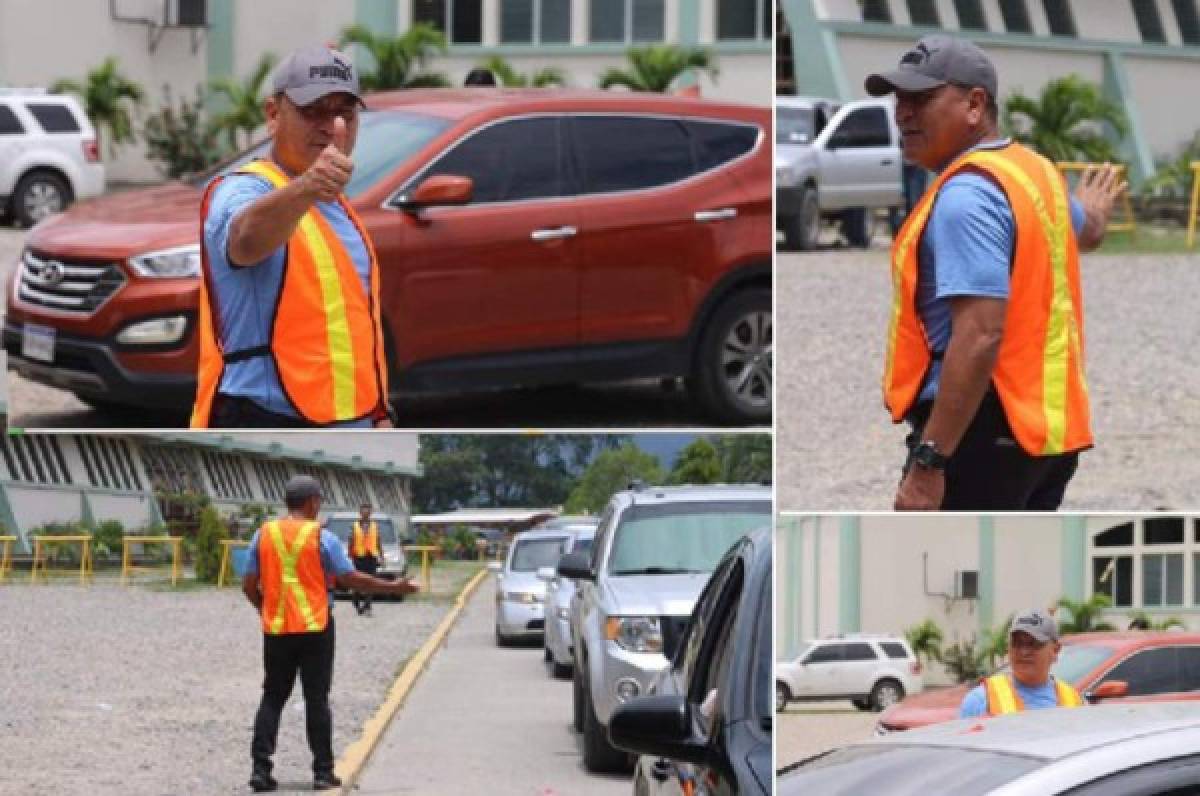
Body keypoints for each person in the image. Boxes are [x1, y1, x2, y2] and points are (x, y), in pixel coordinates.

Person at [866, 35, 1127, 510]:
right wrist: (1095, 211)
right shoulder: (1034, 171)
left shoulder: (968, 197)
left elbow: (981, 333)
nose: (902, 112)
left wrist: (929, 461)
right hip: (1046, 438)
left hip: (980, 433)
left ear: (974, 104)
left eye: (921, 98)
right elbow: (1085, 232)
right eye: (899, 98)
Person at [191, 44, 393, 429]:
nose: (331, 126)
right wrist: (307, 188)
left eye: (343, 112)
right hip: (266, 415)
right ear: (273, 115)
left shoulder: (339, 208)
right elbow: (245, 241)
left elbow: (350, 331)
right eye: (313, 110)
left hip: (348, 419)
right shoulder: (242, 189)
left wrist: (379, 413)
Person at [241, 475, 417, 792]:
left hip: (277, 629)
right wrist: (395, 586)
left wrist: (264, 609)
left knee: (272, 697)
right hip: (315, 629)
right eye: (319, 500)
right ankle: (322, 772)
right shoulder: (323, 538)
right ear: (312, 502)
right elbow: (350, 578)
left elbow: (248, 584)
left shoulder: (263, 534)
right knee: (316, 699)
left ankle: (260, 770)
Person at [959, 609, 1083, 718]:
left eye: (1033, 644)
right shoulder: (981, 700)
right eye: (1017, 643)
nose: (1024, 652)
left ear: (1055, 650)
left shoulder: (1074, 701)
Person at [348, 502, 381, 616]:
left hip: (371, 557)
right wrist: (349, 556)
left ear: (371, 512)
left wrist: (381, 556)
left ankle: (367, 605)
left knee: (371, 582)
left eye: (368, 510)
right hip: (358, 557)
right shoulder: (354, 525)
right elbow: (351, 541)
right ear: (360, 512)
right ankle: (356, 601)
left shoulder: (375, 525)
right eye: (364, 510)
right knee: (358, 582)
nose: (366, 512)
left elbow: (378, 540)